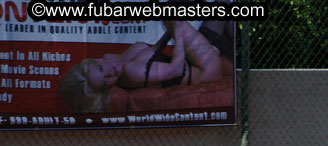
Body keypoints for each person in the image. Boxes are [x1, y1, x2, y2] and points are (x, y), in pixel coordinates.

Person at [59, 20, 233, 113]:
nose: (110, 74)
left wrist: (171, 32)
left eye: (101, 70)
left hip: (196, 62)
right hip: (206, 69)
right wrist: (179, 34)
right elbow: (175, 69)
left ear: (96, 61)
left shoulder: (119, 61)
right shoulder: (131, 73)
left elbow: (154, 52)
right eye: (105, 82)